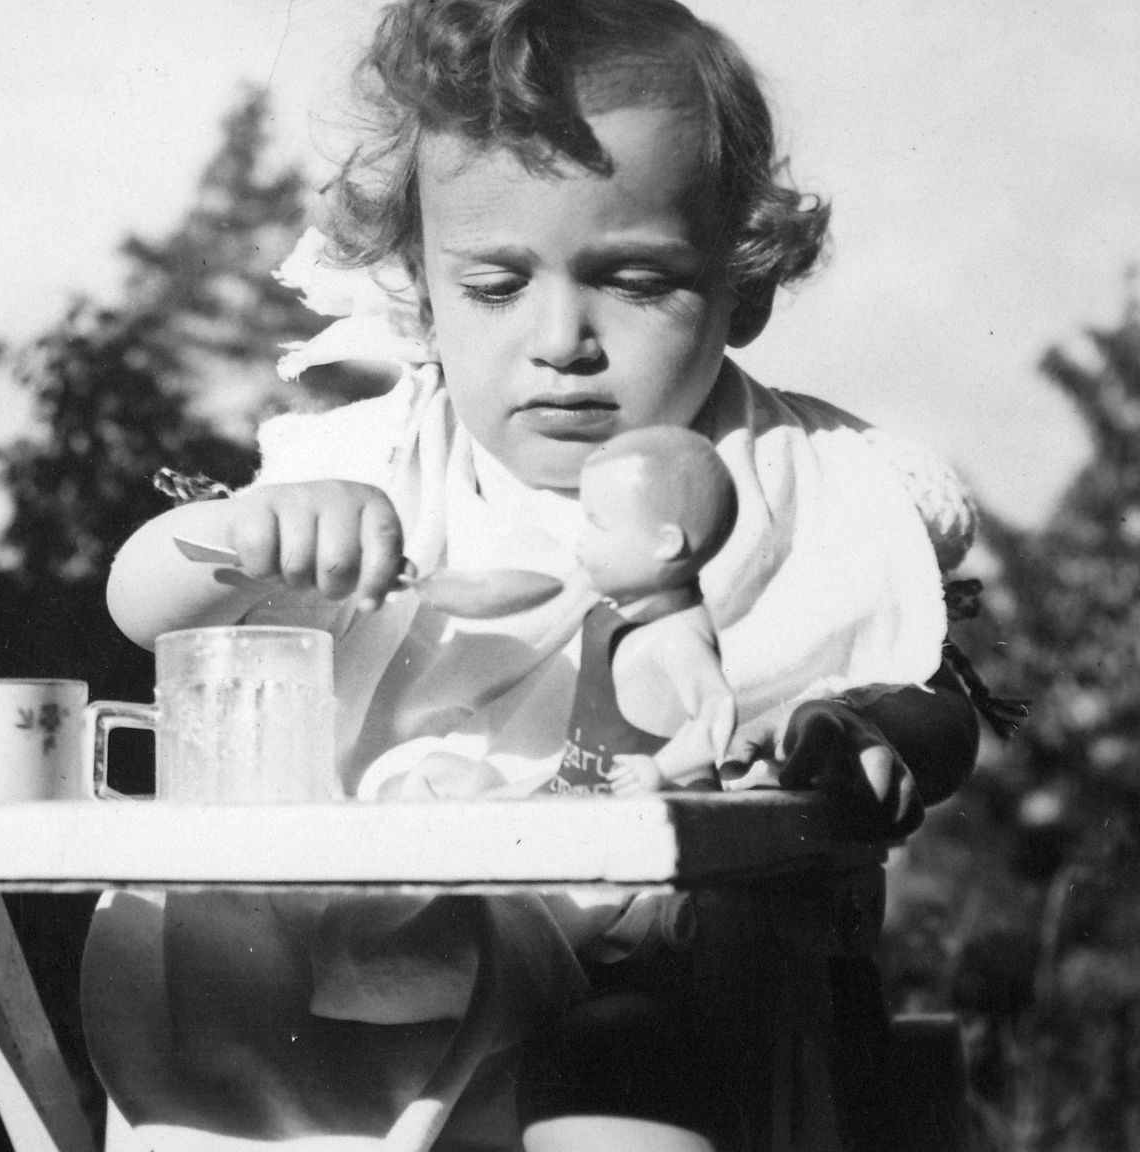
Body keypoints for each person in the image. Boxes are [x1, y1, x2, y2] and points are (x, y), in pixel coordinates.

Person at [93, 1, 981, 1149]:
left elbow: (938, 693)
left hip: (678, 975)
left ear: (741, 282)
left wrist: (873, 735)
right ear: (422, 292)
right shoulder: (375, 464)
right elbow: (136, 607)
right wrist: (244, 541)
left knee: (626, 1069)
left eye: (639, 280)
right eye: (499, 287)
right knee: (227, 1015)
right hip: (382, 962)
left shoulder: (807, 477)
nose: (563, 338)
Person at [550, 427, 739, 797]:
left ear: (665, 544)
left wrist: (660, 768)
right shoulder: (624, 605)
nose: (582, 536)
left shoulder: (675, 637)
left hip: (654, 802)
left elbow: (718, 711)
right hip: (586, 790)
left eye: (598, 523)